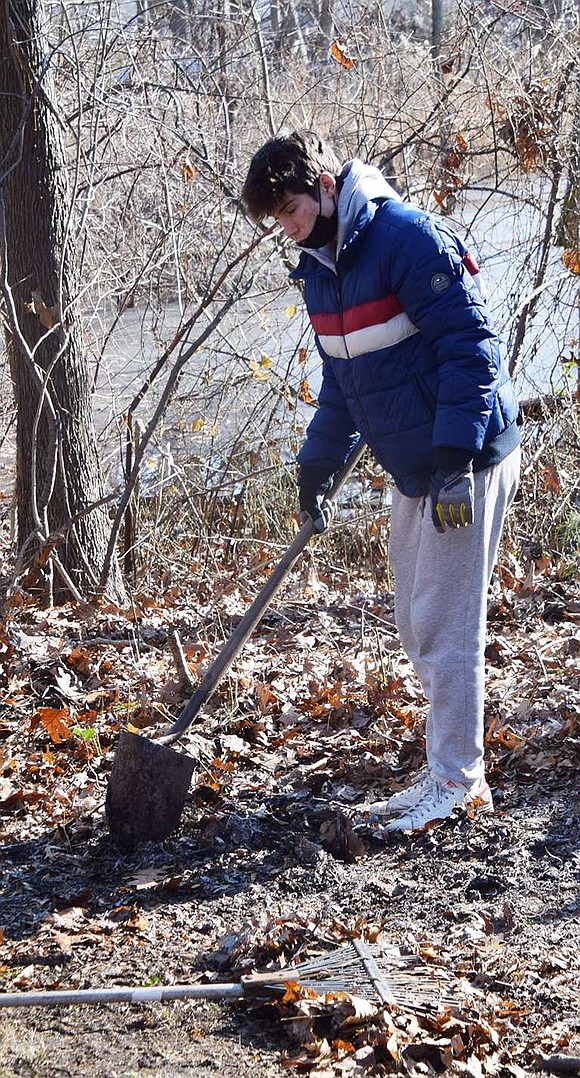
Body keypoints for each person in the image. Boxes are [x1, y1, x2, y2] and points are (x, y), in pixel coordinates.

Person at [241, 130, 521, 832]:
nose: (289, 227)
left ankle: (459, 784)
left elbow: (471, 347)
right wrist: (317, 465)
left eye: (293, 210)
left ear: (326, 185)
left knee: (444, 624)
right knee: (413, 620)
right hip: (415, 464)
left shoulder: (406, 239)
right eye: (278, 220)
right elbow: (345, 379)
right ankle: (445, 772)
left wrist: (456, 460)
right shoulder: (320, 268)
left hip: (467, 457)